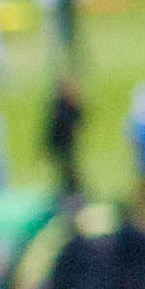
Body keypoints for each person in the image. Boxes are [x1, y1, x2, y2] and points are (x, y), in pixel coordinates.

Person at [43, 76, 85, 207]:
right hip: (61, 144)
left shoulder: (66, 106)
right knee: (66, 171)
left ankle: (75, 195)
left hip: (66, 144)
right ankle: (71, 195)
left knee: (70, 171)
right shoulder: (58, 106)